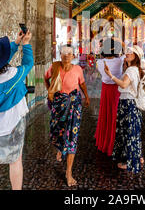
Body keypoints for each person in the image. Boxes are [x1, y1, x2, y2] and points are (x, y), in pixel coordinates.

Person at [0, 29, 33, 190]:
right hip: (13, 121)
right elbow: (28, 64)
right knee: (15, 159)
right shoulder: (14, 76)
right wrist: (26, 44)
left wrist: (16, 44)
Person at [44, 44, 90, 187]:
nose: (66, 56)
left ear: (73, 56)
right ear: (60, 54)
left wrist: (86, 97)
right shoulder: (55, 67)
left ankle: (68, 173)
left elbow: (81, 83)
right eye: (64, 53)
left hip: (74, 104)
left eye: (69, 53)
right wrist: (50, 91)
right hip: (59, 104)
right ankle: (60, 148)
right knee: (56, 130)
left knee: (72, 137)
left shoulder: (77, 69)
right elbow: (46, 78)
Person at [104, 45, 145, 173]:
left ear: (136, 56)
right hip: (131, 104)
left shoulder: (131, 71)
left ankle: (130, 163)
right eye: (127, 52)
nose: (126, 54)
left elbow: (123, 84)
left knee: (128, 133)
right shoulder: (135, 69)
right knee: (133, 131)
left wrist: (110, 75)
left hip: (128, 104)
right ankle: (138, 157)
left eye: (130, 53)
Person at [95, 38, 125, 156]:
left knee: (106, 115)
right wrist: (118, 40)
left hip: (105, 90)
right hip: (116, 89)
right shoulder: (120, 61)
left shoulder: (99, 62)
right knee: (115, 115)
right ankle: (114, 142)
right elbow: (127, 50)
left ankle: (104, 139)